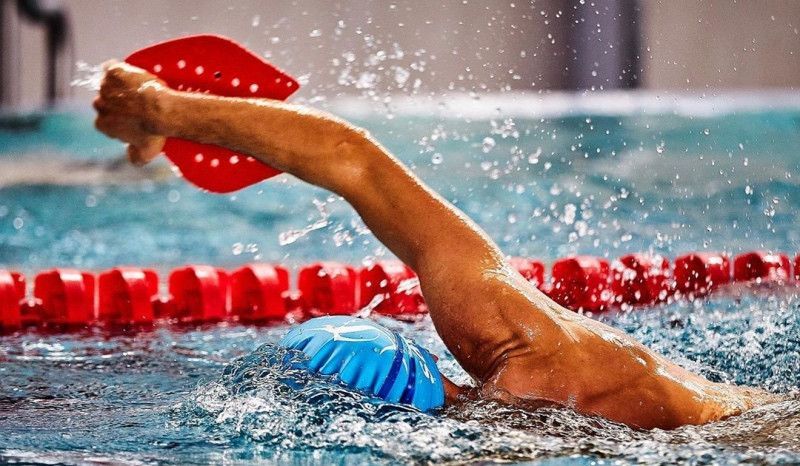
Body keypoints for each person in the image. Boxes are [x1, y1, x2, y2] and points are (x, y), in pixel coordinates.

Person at [93, 61, 773, 430]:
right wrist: (167, 110)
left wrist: (166, 114)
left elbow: (349, 157)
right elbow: (353, 159)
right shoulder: (501, 329)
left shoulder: (515, 379)